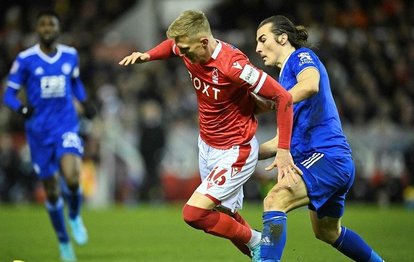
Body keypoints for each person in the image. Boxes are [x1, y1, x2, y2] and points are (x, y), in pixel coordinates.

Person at [119, 10, 300, 261]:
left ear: (204, 41)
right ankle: (264, 256)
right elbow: (171, 46)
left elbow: (283, 97)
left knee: (193, 213)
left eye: (185, 48)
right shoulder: (188, 47)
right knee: (223, 217)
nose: (180, 53)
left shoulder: (233, 66)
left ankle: (258, 240)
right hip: (206, 145)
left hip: (235, 150)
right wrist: (148, 55)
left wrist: (283, 149)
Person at [255, 15, 384, 261]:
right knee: (327, 231)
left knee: (275, 199)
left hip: (327, 158)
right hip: (329, 162)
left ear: (282, 38)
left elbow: (311, 84)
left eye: (263, 40)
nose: (258, 48)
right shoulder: (284, 81)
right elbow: (279, 142)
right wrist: (239, 153)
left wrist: (273, 102)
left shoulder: (300, 58)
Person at [3, 10, 93, 262]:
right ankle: (64, 242)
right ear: (37, 29)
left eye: (51, 24)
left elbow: (75, 83)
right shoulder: (25, 59)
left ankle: (74, 215)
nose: (47, 28)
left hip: (66, 125)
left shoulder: (70, 55)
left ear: (57, 28)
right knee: (52, 191)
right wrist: (21, 108)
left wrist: (85, 103)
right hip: (38, 132)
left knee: (73, 177)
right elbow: (8, 94)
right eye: (42, 24)